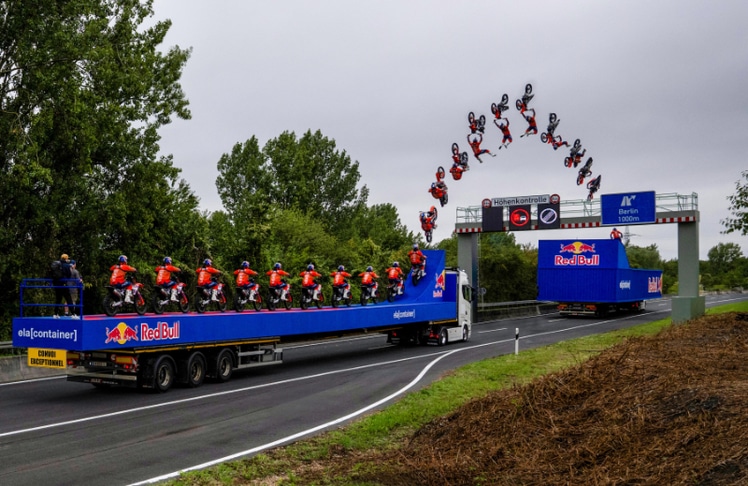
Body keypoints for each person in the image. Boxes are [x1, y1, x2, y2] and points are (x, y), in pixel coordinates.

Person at [53, 253, 74, 318]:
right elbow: (69, 275)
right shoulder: (66, 265)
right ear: (66, 259)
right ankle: (73, 314)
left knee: (58, 299)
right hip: (64, 284)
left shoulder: (57, 265)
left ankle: (55, 314)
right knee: (68, 299)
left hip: (57, 284)